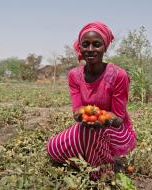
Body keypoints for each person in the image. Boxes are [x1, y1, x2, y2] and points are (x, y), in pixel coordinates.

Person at [46, 21, 136, 179]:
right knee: (53, 148)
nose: (90, 49)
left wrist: (99, 117)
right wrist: (84, 116)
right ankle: (90, 157)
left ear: (105, 47)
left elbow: (118, 119)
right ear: (80, 47)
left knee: (91, 132)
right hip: (86, 125)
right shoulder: (74, 75)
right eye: (85, 44)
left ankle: (102, 174)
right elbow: (77, 111)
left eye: (96, 44)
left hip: (117, 131)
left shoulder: (118, 75)